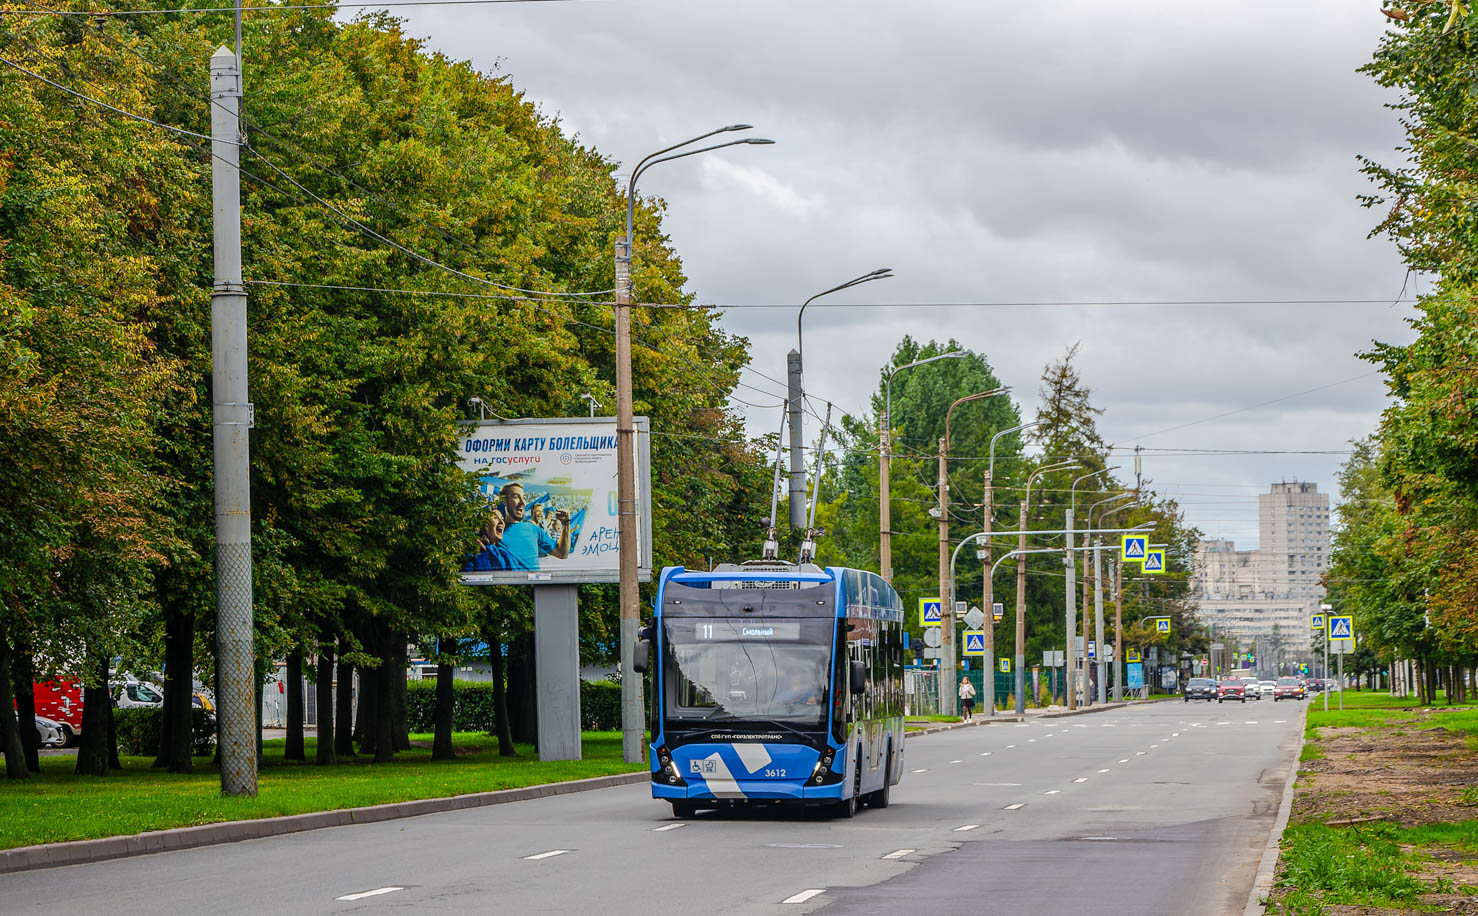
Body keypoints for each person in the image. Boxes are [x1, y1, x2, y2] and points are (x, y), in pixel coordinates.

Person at [499, 482, 570, 570]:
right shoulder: (495, 533)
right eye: (516, 497)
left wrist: (566, 524)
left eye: (524, 497)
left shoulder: (533, 529)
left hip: (534, 583)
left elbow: (562, 553)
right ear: (504, 500)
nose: (522, 502)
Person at [465, 507, 520, 571]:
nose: (501, 522)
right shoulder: (472, 552)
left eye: (502, 519)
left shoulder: (507, 555)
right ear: (483, 525)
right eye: (495, 518)